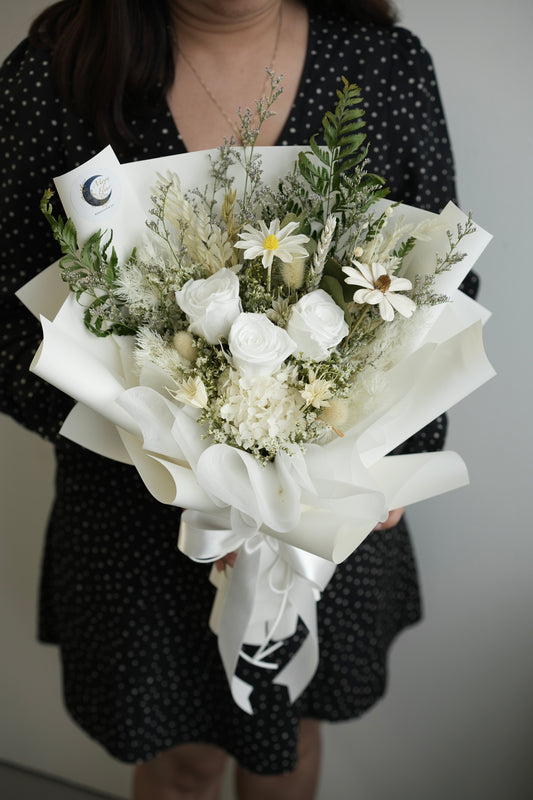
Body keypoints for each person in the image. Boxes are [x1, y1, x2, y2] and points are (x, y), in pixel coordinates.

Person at [0, 1, 478, 798]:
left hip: (327, 512)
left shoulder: (384, 68)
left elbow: (438, 284)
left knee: (283, 745)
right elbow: (11, 322)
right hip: (135, 521)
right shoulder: (59, 74)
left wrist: (383, 457)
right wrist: (183, 468)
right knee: (180, 758)